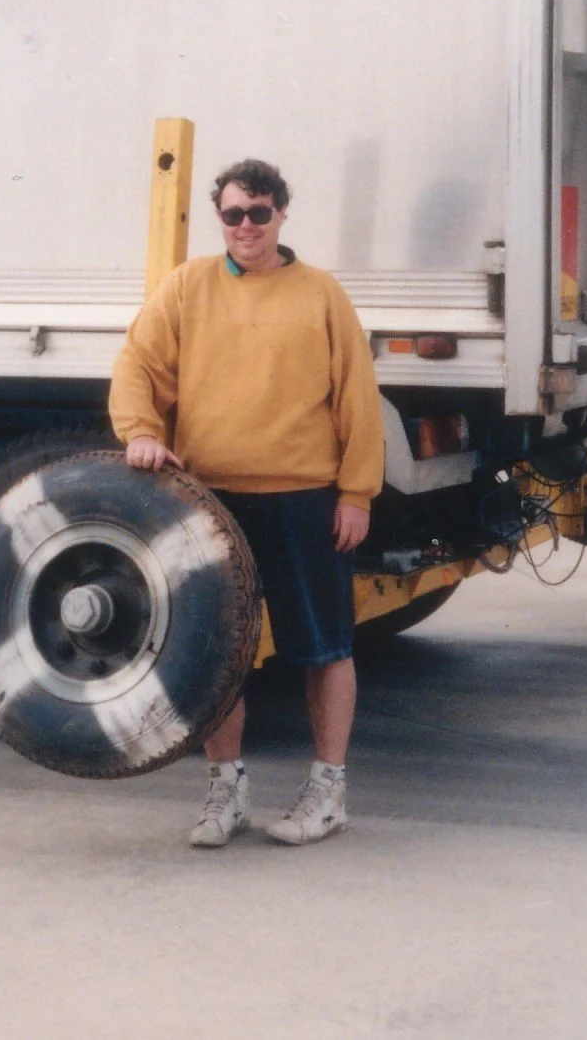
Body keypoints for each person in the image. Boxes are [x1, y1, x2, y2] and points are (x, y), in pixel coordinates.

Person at [108, 158, 384, 846]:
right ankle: (225, 791)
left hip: (304, 499)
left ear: (281, 214)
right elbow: (137, 363)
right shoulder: (188, 287)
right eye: (233, 214)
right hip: (211, 502)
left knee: (324, 648)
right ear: (220, 217)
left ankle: (328, 792)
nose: (246, 226)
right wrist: (141, 432)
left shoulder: (321, 294)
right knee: (218, 653)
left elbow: (358, 399)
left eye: (259, 213)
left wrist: (356, 492)